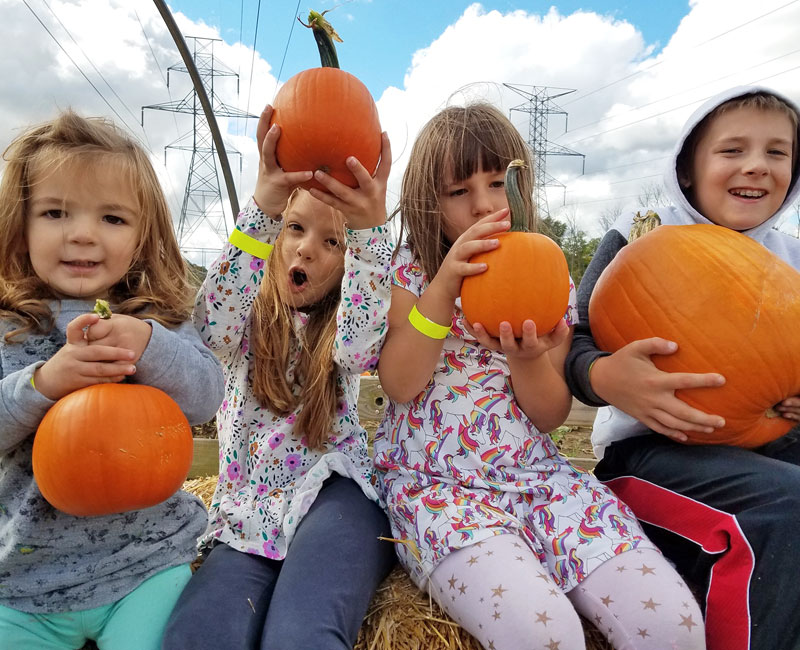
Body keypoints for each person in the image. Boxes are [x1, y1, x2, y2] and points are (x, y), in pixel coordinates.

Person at [373, 102, 705, 650]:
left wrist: (527, 359)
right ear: (428, 203)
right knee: (542, 635)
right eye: (459, 192)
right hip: (441, 493)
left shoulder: (547, 270)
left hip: (540, 484)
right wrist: (445, 288)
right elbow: (401, 384)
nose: (483, 204)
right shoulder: (407, 271)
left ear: (522, 189)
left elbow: (549, 415)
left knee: (675, 628)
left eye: (499, 184)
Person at [565, 86, 800, 650]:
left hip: (768, 446)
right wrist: (603, 375)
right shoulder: (644, 231)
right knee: (790, 507)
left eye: (777, 152)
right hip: (651, 456)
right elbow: (575, 336)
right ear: (687, 171)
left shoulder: (791, 256)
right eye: (732, 151)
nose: (756, 167)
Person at [162, 105, 396, 650]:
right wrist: (263, 205)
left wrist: (369, 234)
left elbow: (363, 351)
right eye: (294, 227)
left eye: (332, 242)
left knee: (301, 635)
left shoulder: (345, 322)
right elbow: (209, 324)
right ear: (275, 233)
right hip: (247, 510)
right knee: (197, 636)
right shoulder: (242, 316)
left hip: (335, 497)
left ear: (346, 259)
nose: (306, 248)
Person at [0, 111, 224, 650]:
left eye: (112, 218)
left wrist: (148, 343)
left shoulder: (159, 319)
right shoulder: (9, 328)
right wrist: (43, 384)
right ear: (19, 224)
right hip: (24, 585)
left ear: (143, 233)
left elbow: (206, 395)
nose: (82, 234)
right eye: (55, 212)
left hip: (147, 565)